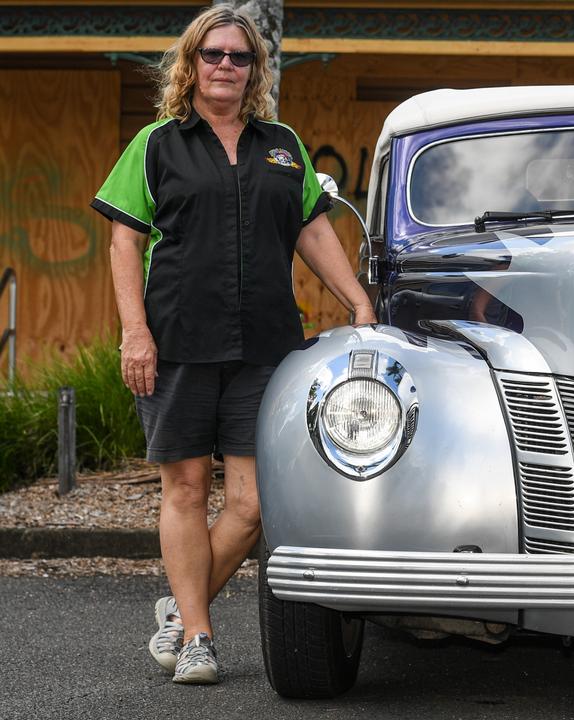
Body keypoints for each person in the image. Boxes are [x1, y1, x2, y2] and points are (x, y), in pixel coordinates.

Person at [90, 6, 375, 685]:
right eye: (213, 54)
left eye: (239, 57)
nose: (225, 65)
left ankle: (178, 612)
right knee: (186, 489)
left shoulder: (283, 145)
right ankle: (197, 636)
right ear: (191, 64)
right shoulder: (157, 145)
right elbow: (124, 240)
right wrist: (135, 332)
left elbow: (311, 230)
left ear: (255, 69)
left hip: (265, 348)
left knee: (252, 504)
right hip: (178, 343)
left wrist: (358, 301)